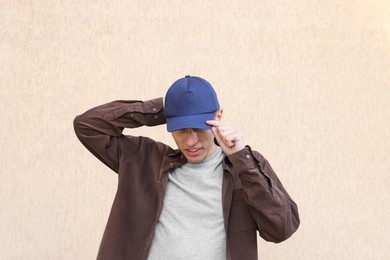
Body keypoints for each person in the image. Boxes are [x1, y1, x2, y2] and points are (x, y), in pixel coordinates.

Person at [73, 75, 300, 260]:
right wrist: (166, 107)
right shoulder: (144, 160)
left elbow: (282, 228)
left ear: (218, 117)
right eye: (180, 129)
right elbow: (87, 126)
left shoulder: (244, 167)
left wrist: (241, 158)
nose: (190, 141)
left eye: (198, 128)